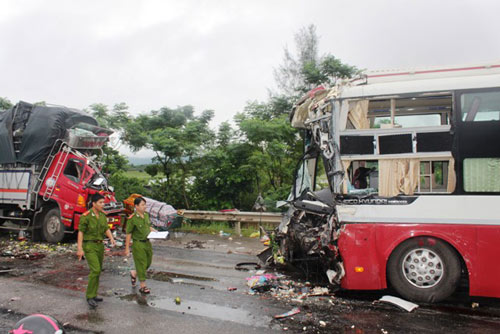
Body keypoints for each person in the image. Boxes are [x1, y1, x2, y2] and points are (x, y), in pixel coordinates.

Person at [77, 193, 116, 309]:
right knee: (95, 269)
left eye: (103, 202)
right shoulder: (86, 216)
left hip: (100, 246)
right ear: (93, 204)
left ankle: (94, 295)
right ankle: (89, 296)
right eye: (100, 202)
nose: (103, 205)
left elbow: (106, 228)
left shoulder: (102, 216)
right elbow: (81, 232)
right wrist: (80, 249)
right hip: (89, 245)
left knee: (98, 271)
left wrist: (111, 238)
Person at [125, 196, 156, 294]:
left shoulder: (146, 215)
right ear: (136, 206)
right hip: (138, 244)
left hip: (147, 243)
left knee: (148, 262)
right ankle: (143, 286)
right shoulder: (132, 218)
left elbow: (148, 226)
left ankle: (134, 273)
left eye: (145, 205)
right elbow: (128, 234)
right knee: (141, 264)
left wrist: (156, 232)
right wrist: (127, 248)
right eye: (142, 205)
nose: (145, 207)